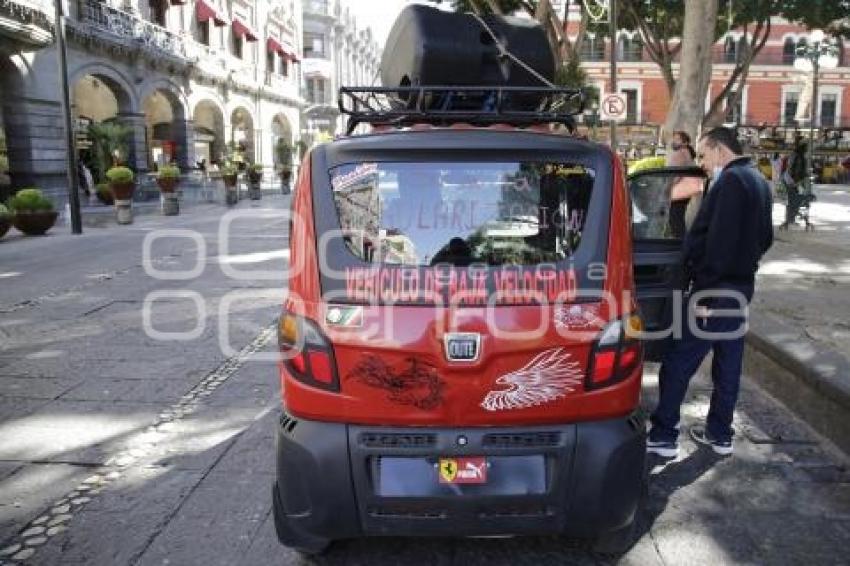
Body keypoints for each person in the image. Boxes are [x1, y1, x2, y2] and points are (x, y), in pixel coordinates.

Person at [647, 127, 774, 458]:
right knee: (728, 366)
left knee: (678, 362)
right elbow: (765, 238)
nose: (702, 162)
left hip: (714, 292)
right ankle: (720, 435)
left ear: (720, 149)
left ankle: (663, 435)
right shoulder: (759, 180)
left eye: (703, 154)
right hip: (740, 289)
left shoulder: (730, 182)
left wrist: (705, 294)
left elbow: (718, 243)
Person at [666, 130, 704, 237]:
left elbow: (676, 173)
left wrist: (669, 186)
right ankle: (682, 241)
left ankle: (680, 243)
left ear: (685, 142)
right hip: (684, 190)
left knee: (675, 218)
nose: (674, 141)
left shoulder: (681, 153)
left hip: (679, 189)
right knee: (678, 216)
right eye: (674, 138)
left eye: (677, 139)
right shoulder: (687, 152)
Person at [781, 139, 808, 229]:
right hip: (793, 182)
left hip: (789, 180)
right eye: (805, 148)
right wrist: (797, 182)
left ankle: (789, 219)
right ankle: (790, 219)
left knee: (791, 200)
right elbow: (796, 171)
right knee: (794, 200)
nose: (806, 149)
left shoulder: (794, 155)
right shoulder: (799, 157)